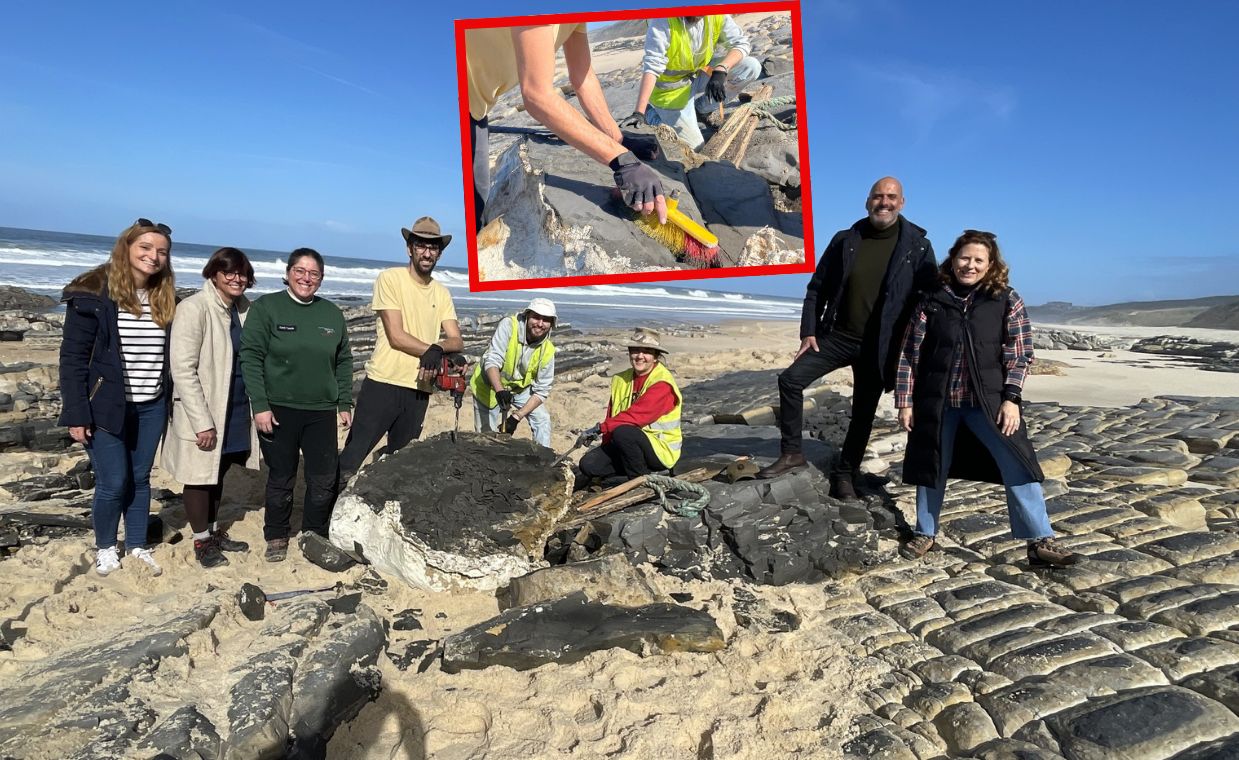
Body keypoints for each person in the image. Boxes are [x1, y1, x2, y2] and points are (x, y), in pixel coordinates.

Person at [896, 231, 1080, 568]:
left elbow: (1020, 354)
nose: (970, 265)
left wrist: (1012, 399)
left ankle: (1040, 541)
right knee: (930, 465)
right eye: (965, 258)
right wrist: (905, 401)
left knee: (1019, 464)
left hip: (990, 403)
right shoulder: (931, 299)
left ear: (990, 265)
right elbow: (910, 354)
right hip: (937, 402)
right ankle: (925, 532)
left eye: (979, 260)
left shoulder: (1006, 298)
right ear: (953, 259)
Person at [757, 177, 938, 500]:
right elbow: (817, 287)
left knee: (863, 413)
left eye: (891, 197)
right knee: (790, 379)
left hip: (881, 347)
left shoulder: (918, 247)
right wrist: (809, 331)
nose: (884, 202)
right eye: (878, 196)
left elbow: (930, 300)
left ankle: (845, 473)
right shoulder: (846, 239)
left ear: (902, 202)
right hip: (838, 336)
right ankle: (792, 453)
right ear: (868, 201)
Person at [465, 23, 667, 233]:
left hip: (478, 107)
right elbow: (537, 96)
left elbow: (583, 77)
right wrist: (622, 161)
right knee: (475, 207)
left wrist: (618, 140)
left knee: (479, 198)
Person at [59, 218, 176, 576]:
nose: (153, 257)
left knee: (141, 479)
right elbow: (73, 358)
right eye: (145, 248)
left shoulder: (165, 298)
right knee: (113, 482)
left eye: (161, 252)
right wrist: (77, 413)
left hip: (151, 405)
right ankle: (107, 547)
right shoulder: (92, 294)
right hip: (105, 406)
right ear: (126, 247)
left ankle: (138, 545)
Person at [239, 249, 352, 562]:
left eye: (314, 273)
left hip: (321, 411)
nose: (306, 278)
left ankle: (313, 532)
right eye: (300, 271)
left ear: (321, 278)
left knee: (323, 477)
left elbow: (343, 360)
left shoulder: (331, 314)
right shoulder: (267, 307)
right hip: (277, 409)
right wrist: (259, 405)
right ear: (288, 273)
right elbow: (250, 357)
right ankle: (276, 534)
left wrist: (344, 401)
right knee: (282, 475)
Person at [338, 217, 463, 480]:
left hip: (420, 388)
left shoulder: (441, 293)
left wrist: (438, 348)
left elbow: (456, 339)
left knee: (399, 464)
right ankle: (323, 517)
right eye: (421, 245)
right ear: (410, 248)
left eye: (433, 247)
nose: (427, 252)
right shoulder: (390, 279)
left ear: (439, 253)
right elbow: (396, 336)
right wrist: (433, 349)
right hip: (384, 382)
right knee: (351, 459)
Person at [162, 247, 260, 568]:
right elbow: (183, 369)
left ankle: (214, 531)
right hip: (204, 409)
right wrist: (201, 421)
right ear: (214, 273)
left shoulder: (245, 311)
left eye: (242, 273)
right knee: (198, 476)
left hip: (234, 407)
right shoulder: (194, 308)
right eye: (229, 272)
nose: (237, 278)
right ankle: (201, 540)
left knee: (217, 473)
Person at [621, 15, 762, 151]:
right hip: (671, 91)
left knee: (750, 67)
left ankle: (702, 109)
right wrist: (638, 112)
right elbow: (652, 66)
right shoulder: (663, 20)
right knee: (694, 147)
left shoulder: (717, 13)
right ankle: (650, 115)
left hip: (699, 73)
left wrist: (721, 69)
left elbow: (741, 43)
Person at [578, 327, 682, 481]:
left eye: (647, 351)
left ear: (655, 357)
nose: (640, 356)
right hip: (629, 447)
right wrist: (606, 446)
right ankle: (630, 470)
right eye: (635, 350)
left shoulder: (662, 383)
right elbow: (612, 416)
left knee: (624, 432)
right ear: (629, 353)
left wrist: (599, 428)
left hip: (660, 451)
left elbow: (635, 417)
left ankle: (639, 481)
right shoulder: (621, 379)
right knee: (589, 465)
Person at [470, 298, 557, 446]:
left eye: (546, 320)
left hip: (519, 390)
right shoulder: (509, 326)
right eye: (536, 317)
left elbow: (542, 390)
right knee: (486, 437)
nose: (540, 324)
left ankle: (543, 460)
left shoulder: (548, 350)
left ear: (552, 324)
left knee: (542, 419)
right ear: (527, 315)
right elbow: (493, 359)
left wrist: (516, 417)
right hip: (489, 386)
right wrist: (500, 391)